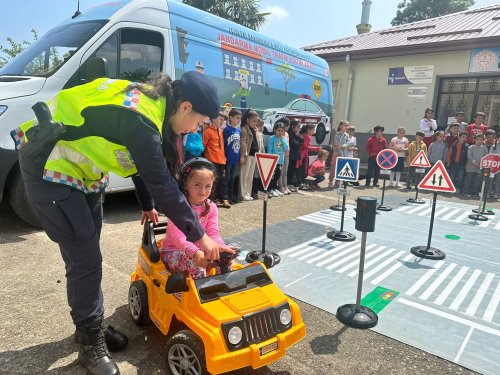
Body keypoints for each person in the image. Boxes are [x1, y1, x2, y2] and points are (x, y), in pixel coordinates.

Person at [12, 71, 233, 375]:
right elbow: (163, 183)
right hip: (50, 166)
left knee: (86, 257)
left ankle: (88, 325)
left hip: (82, 171)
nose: (196, 128)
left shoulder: (151, 106)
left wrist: (146, 205)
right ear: (184, 107)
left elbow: (136, 160)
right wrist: (200, 237)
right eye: (199, 122)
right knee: (85, 257)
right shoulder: (142, 118)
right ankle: (90, 340)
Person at [161, 158, 226, 280]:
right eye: (197, 185)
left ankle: (223, 292)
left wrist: (221, 248)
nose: (203, 191)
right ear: (185, 184)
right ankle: (202, 297)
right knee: (197, 266)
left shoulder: (211, 207)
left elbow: (213, 234)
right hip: (173, 251)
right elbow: (179, 238)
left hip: (200, 250)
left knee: (224, 262)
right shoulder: (178, 207)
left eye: (208, 186)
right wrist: (195, 253)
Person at [203, 112, 230, 208]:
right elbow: (204, 146)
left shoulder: (221, 132)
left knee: (223, 180)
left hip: (222, 160)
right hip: (211, 161)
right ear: (213, 119)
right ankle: (214, 199)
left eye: (223, 120)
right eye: (220, 119)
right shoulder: (207, 132)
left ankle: (224, 199)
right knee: (213, 181)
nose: (222, 122)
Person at [239, 109, 259, 200]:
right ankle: (242, 194)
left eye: (256, 121)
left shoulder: (255, 129)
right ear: (247, 120)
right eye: (253, 121)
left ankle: (248, 193)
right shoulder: (244, 129)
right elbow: (243, 143)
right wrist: (243, 155)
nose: (255, 123)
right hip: (247, 155)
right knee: (244, 175)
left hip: (254, 155)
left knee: (250, 176)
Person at [223, 108, 241, 204]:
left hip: (235, 158)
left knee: (233, 178)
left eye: (239, 118)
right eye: (237, 118)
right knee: (227, 178)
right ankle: (226, 197)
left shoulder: (238, 130)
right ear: (231, 118)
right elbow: (224, 144)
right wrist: (224, 156)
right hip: (228, 158)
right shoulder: (227, 130)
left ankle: (231, 195)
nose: (239, 120)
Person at [268, 122, 289, 197]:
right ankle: (270, 189)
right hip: (273, 161)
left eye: (282, 131)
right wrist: (270, 159)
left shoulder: (283, 139)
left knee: (277, 175)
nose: (280, 132)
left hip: (280, 161)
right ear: (275, 130)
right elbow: (269, 151)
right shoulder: (271, 138)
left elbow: (286, 149)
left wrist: (283, 140)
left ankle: (274, 188)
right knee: (272, 176)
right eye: (278, 130)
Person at [328, 120, 351, 189]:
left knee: (341, 168)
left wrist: (342, 146)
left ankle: (337, 182)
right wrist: (342, 147)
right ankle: (330, 181)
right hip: (336, 154)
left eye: (347, 125)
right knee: (333, 168)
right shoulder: (336, 134)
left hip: (344, 155)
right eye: (345, 125)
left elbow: (348, 144)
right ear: (340, 126)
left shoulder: (347, 135)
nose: (347, 127)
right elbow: (337, 145)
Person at [298, 124, 321, 190]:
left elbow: (307, 146)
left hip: (305, 154)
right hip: (301, 154)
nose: (314, 132)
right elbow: (305, 146)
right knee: (300, 168)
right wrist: (316, 148)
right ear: (308, 130)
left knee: (304, 168)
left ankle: (302, 181)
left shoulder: (308, 136)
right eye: (313, 130)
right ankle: (300, 182)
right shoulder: (304, 136)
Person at [287, 120, 304, 191]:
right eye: (298, 127)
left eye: (299, 127)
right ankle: (288, 184)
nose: (299, 128)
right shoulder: (290, 134)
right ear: (293, 126)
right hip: (291, 155)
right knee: (290, 170)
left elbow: (302, 141)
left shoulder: (297, 134)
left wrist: (298, 135)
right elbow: (294, 143)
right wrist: (298, 142)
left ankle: (291, 184)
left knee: (293, 170)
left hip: (296, 155)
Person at [278, 117, 291, 194]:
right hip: (281, 155)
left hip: (287, 155)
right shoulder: (279, 134)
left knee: (285, 172)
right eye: (287, 125)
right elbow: (279, 145)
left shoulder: (287, 134)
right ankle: (280, 186)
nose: (288, 127)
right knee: (281, 172)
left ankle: (285, 185)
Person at [488, 133, 500, 199]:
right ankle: (488, 193)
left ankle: (496, 194)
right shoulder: (493, 146)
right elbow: (490, 155)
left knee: (498, 181)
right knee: (490, 180)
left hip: (499, 167)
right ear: (497, 138)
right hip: (493, 167)